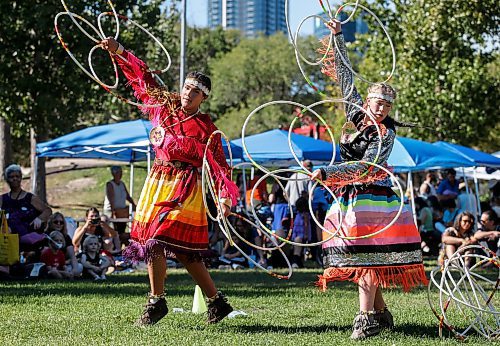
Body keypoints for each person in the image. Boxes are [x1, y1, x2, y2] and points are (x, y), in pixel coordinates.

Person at [100, 37, 239, 326]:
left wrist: (226, 198)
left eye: (196, 91)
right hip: (157, 180)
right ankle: (215, 302)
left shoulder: (207, 129)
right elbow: (143, 76)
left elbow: (222, 167)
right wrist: (120, 51)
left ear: (204, 98)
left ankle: (157, 302)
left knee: (162, 239)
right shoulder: (164, 106)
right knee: (175, 250)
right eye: (187, 87)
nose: (189, 93)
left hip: (186, 188)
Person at [310, 19, 427, 340]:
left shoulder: (385, 134)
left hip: (374, 198)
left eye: (387, 105)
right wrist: (337, 36)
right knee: (362, 256)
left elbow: (366, 167)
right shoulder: (357, 115)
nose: (382, 108)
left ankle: (365, 319)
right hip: (349, 197)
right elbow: (346, 76)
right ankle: (381, 313)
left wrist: (327, 174)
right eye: (378, 102)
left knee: (367, 258)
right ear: (367, 102)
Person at [0, 164, 52, 256]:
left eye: (17, 176)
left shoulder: (30, 198)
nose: (15, 179)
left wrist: (39, 218)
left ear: (21, 178)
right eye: (11, 177)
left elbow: (47, 210)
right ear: (7, 179)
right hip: (8, 240)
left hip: (28, 238)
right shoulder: (2, 199)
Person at [103, 166, 136, 246]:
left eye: (121, 172)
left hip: (122, 211)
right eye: (118, 172)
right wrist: (113, 212)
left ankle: (121, 246)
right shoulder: (110, 184)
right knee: (113, 232)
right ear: (114, 174)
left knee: (121, 232)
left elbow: (127, 196)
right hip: (111, 211)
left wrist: (134, 205)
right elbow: (111, 199)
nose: (120, 174)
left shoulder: (122, 184)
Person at [45, 212, 82, 277]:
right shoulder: (46, 236)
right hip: (49, 265)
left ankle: (67, 274)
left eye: (61, 222)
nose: (59, 224)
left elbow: (72, 256)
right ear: (50, 223)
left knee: (79, 267)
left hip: (63, 264)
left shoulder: (66, 237)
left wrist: (74, 270)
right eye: (56, 222)